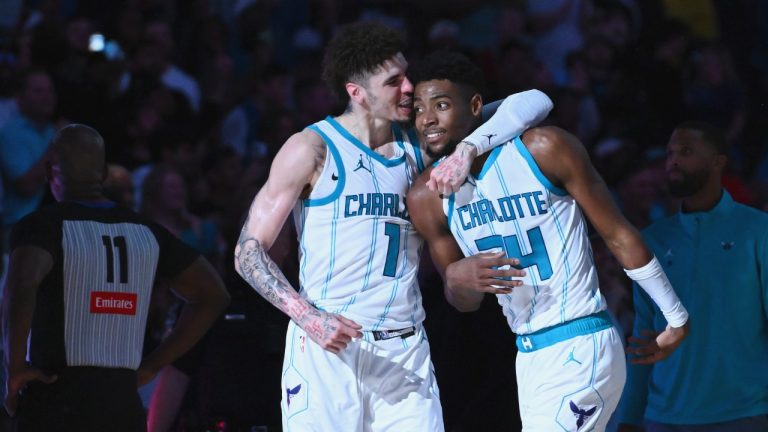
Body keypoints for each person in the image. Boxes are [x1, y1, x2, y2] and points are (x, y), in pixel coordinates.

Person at [233, 22, 553, 431]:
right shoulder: (311, 148)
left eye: (407, 75)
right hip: (327, 347)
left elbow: (534, 102)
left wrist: (468, 149)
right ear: (357, 93)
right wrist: (307, 317)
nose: (409, 88)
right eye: (393, 82)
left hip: (404, 349)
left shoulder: (419, 143)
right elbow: (247, 252)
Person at [405, 51, 690, 431]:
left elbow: (617, 234)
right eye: (419, 108)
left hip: (582, 338)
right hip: (528, 353)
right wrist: (458, 278)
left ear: (475, 106)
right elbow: (464, 302)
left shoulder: (542, 148)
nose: (427, 118)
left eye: (441, 105)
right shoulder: (426, 196)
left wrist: (676, 317)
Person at [1, 124, 230, 431]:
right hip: (123, 404)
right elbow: (214, 294)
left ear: (48, 170)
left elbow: (21, 288)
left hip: (54, 398)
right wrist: (152, 366)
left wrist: (15, 368)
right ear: (105, 173)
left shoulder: (41, 226)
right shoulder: (146, 231)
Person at [618, 122, 768, 431]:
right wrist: (629, 419)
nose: (673, 160)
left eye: (685, 151)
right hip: (662, 418)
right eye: (670, 153)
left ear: (718, 161)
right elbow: (644, 335)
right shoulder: (653, 239)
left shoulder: (758, 230)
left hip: (743, 414)